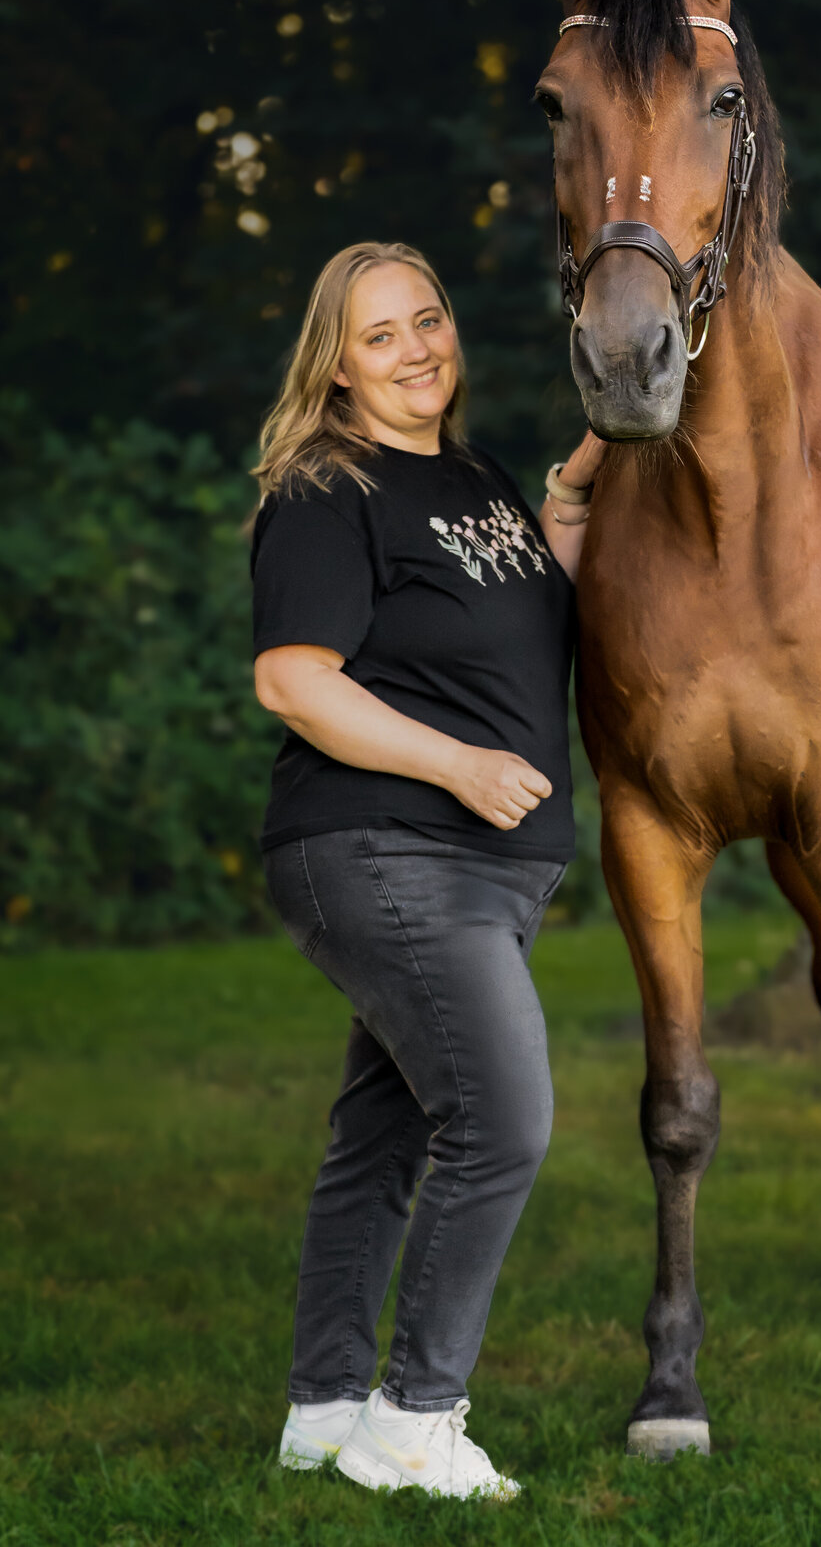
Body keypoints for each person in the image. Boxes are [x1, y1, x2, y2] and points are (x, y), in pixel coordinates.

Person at [250, 241, 602, 1501]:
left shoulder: (472, 478)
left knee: (385, 1134)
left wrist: (573, 488)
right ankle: (414, 1423)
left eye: (428, 320)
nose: (416, 350)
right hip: (386, 847)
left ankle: (326, 1407)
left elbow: (528, 626)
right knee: (501, 1120)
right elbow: (294, 681)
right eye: (380, 334)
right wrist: (458, 766)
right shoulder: (325, 488)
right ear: (336, 368)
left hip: (483, 868)